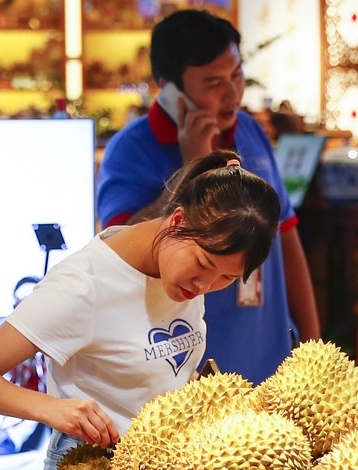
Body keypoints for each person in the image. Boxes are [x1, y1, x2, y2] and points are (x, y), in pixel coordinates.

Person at [0, 150, 281, 470]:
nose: (206, 285)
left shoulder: (182, 274)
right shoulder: (83, 285)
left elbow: (162, 363)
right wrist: (51, 408)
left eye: (226, 279)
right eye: (203, 265)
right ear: (177, 221)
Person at [95, 9, 320, 385]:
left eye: (236, 75)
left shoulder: (250, 131)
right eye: (213, 82)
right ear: (169, 88)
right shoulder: (130, 151)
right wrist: (192, 167)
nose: (232, 93)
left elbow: (287, 237)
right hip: (187, 377)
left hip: (272, 359)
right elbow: (119, 253)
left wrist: (313, 347)